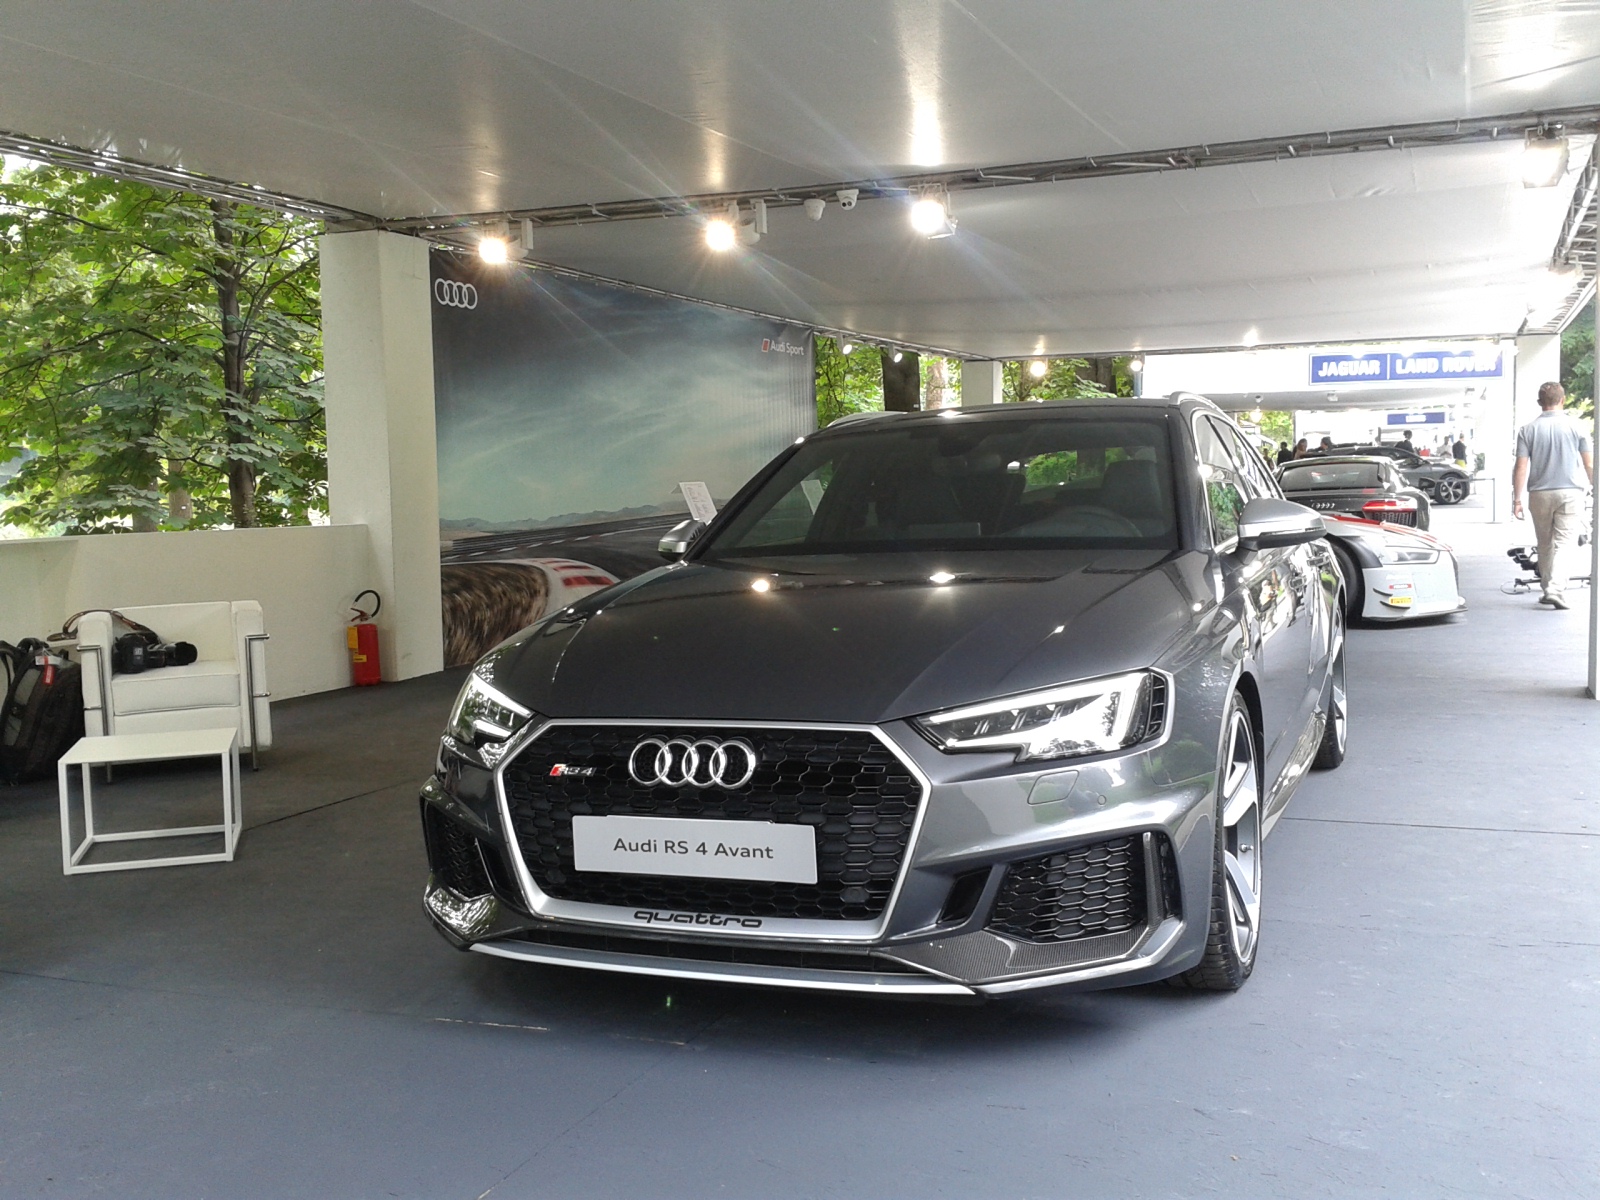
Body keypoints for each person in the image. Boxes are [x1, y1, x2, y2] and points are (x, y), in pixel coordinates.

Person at [1512, 382, 1594, 610]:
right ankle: (1555, 590)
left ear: (1540, 402)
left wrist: (1517, 500)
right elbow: (1589, 464)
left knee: (1545, 543)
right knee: (1565, 542)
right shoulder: (1577, 426)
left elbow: (1520, 467)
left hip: (1539, 494)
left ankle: (1548, 587)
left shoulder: (1527, 430)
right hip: (1570, 492)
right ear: (1563, 400)